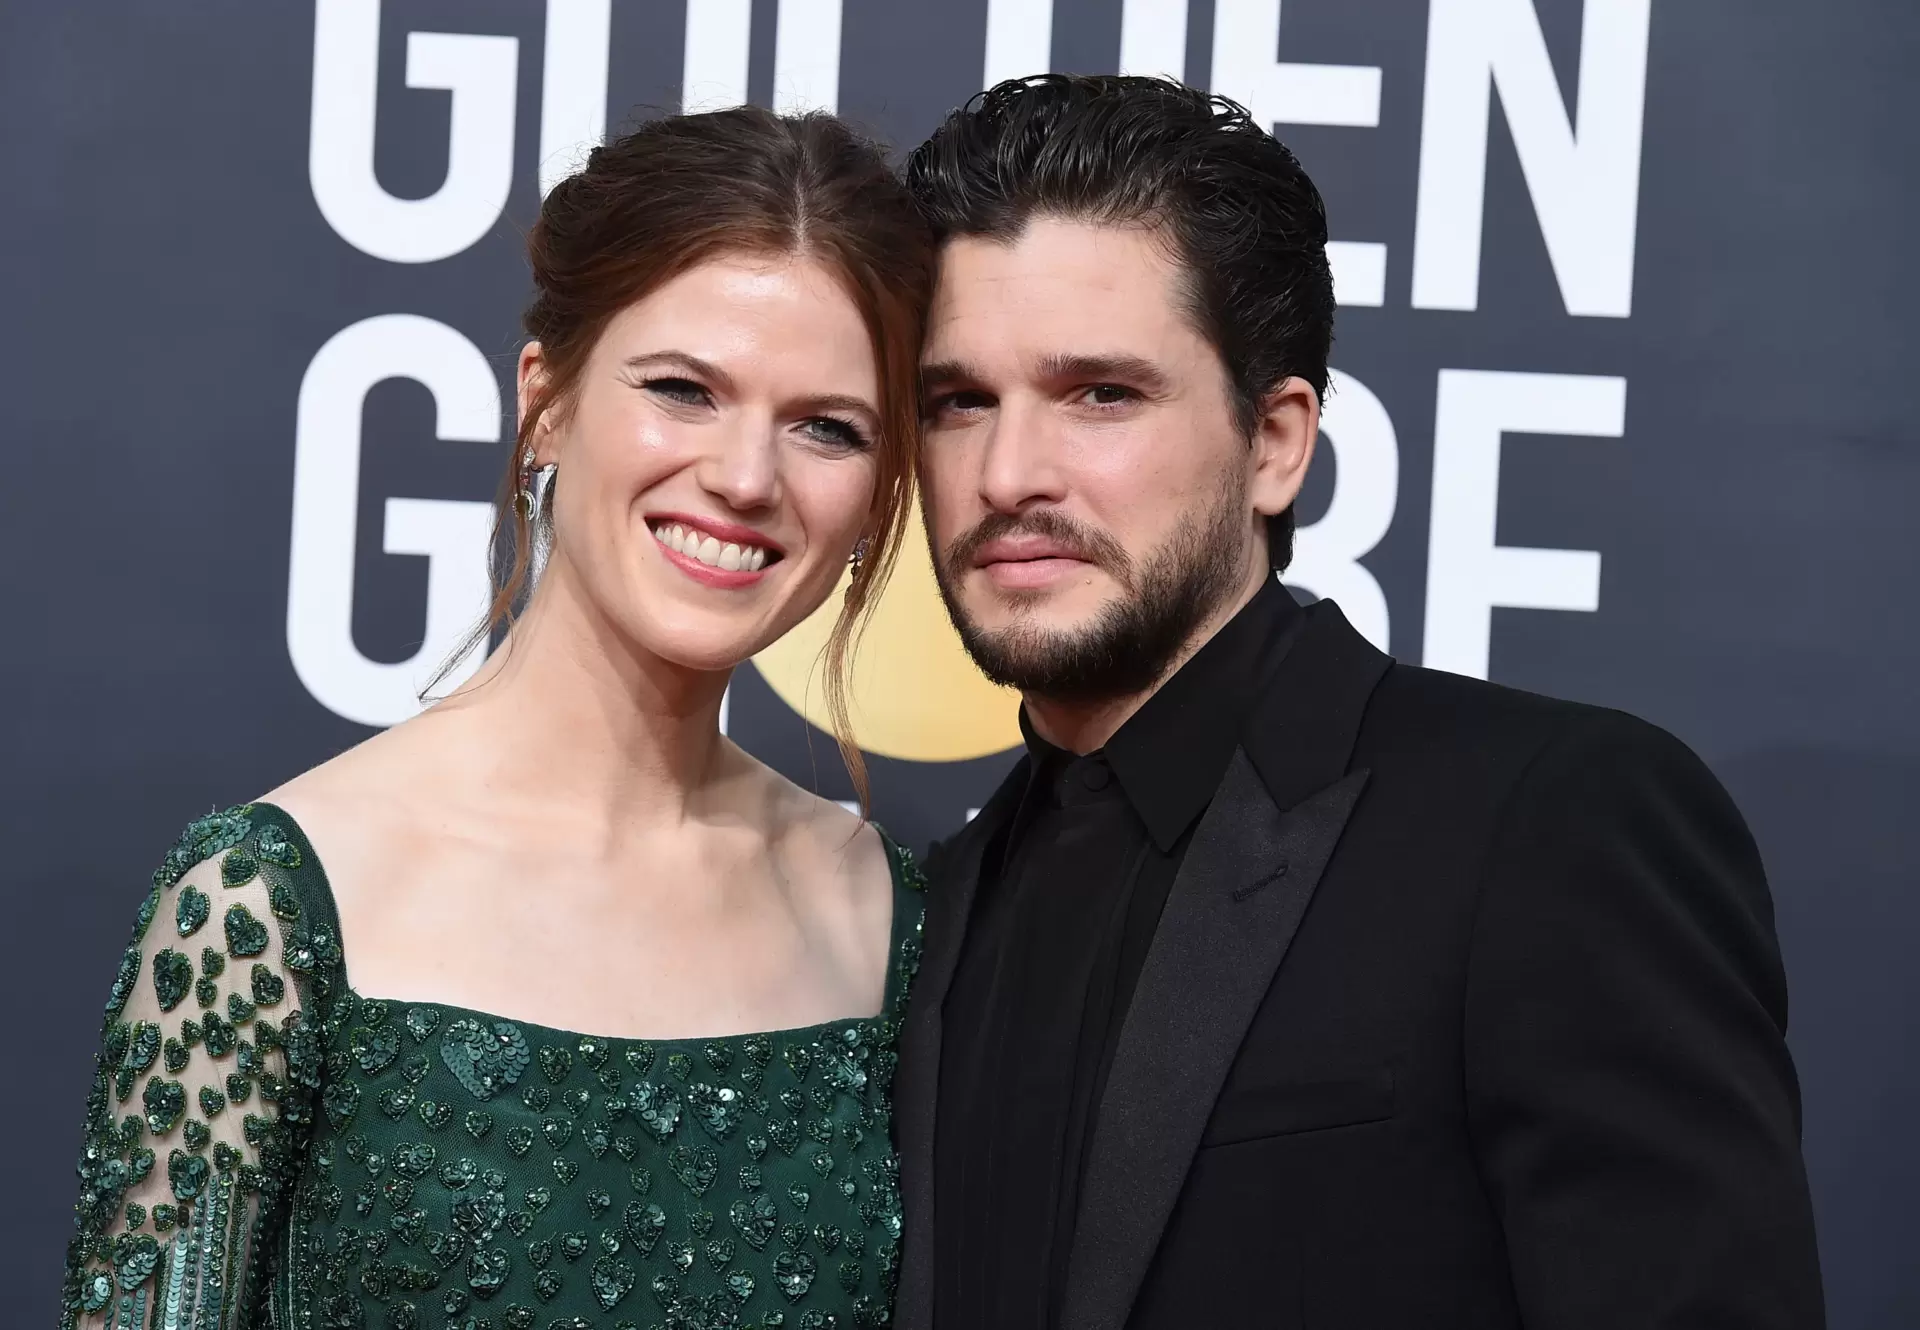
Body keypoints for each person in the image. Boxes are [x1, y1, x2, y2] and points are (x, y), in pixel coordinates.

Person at [892, 74, 1824, 1330]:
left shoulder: (1550, 824)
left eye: (1101, 394)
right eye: (960, 403)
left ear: (1276, 443)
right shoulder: (932, 910)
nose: (1008, 473)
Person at [61, 106, 932, 1330]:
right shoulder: (267, 909)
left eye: (826, 427)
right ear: (549, 404)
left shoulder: (886, 911)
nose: (746, 477)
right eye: (683, 390)